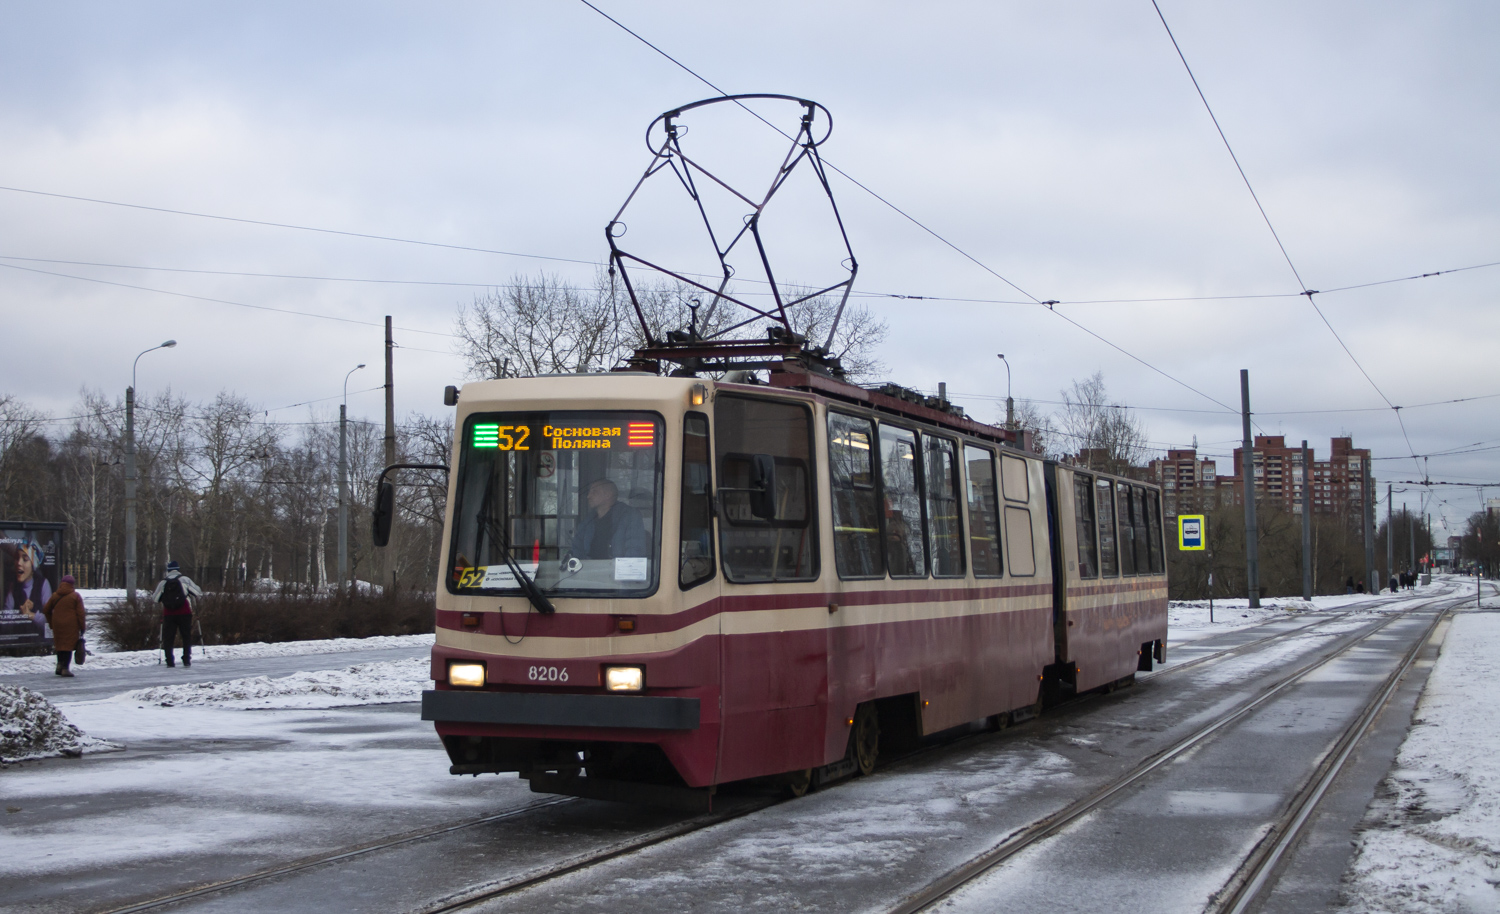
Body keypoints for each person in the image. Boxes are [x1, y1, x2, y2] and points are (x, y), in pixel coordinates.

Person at [568, 478, 648, 561]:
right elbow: (576, 552)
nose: (588, 496)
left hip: (618, 572)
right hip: (590, 572)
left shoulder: (629, 517)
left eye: (594, 492)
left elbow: (635, 552)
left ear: (608, 495)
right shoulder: (587, 522)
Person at [151, 561, 203, 668]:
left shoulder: (163, 583)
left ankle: (170, 660)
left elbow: (155, 599)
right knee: (186, 636)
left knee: (168, 637)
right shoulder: (184, 580)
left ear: (168, 570)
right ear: (178, 569)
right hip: (184, 612)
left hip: (168, 614)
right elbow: (198, 592)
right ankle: (186, 659)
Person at [43, 575, 85, 677]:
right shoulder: (75, 596)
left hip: (57, 624)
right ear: (72, 584)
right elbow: (81, 613)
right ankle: (65, 668)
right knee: (68, 646)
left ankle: (59, 666)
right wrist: (82, 627)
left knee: (60, 645)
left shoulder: (55, 596)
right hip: (71, 625)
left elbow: (46, 610)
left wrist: (52, 622)